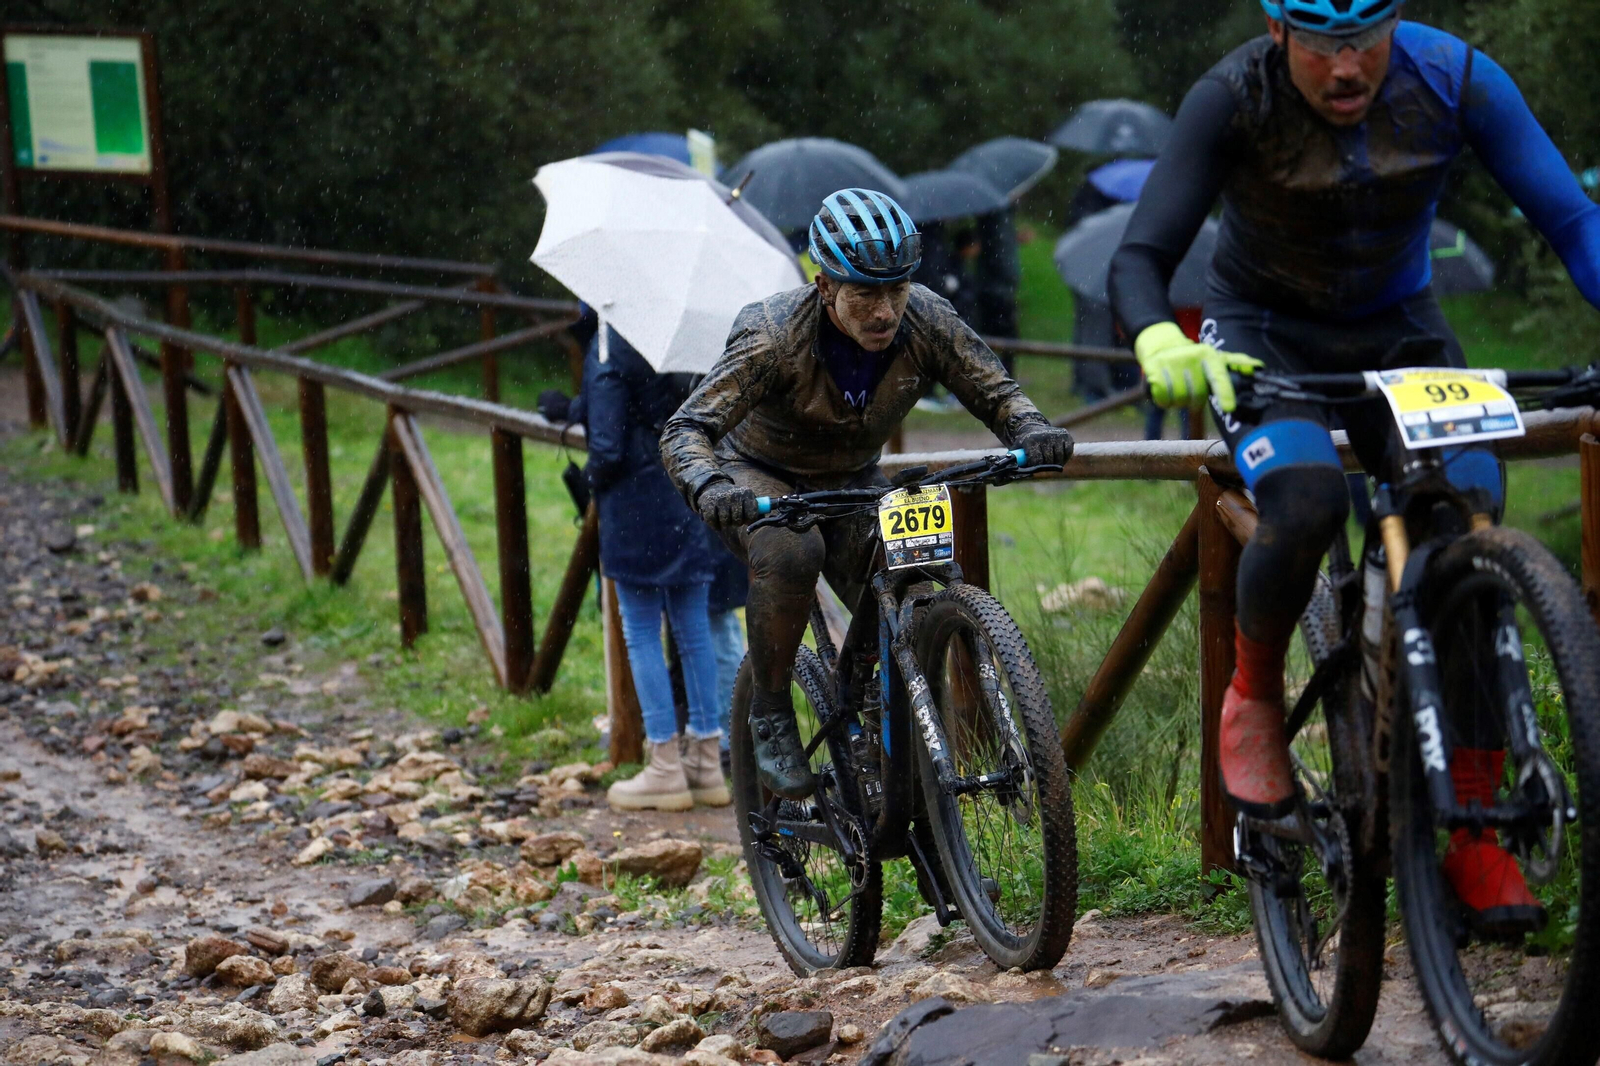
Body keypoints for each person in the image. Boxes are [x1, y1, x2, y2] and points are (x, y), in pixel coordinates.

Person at [1109, 0, 1600, 932]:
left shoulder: (1454, 78)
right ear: (1278, 32)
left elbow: (1574, 220)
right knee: (1303, 502)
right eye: (1324, 45)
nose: (1347, 68)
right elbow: (1141, 253)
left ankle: (1474, 828)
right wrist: (1154, 335)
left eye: (1367, 40)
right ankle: (1254, 696)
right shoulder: (1232, 95)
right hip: (1264, 335)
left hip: (1403, 331)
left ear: (1397, 23)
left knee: (1466, 517)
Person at [662, 188, 1074, 800]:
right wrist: (709, 484)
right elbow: (686, 428)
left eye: (896, 290)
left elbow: (996, 391)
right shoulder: (772, 333)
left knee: (914, 564)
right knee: (793, 551)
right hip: (757, 475)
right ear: (825, 286)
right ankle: (770, 710)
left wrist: (1032, 431)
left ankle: (892, 721)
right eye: (864, 294)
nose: (884, 312)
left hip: (852, 478)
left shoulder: (927, 318)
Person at [579, 323, 730, 812]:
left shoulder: (609, 345)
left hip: (635, 505)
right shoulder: (679, 339)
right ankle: (706, 762)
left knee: (642, 631)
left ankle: (664, 765)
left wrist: (588, 478)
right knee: (692, 631)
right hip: (683, 493)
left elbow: (607, 446)